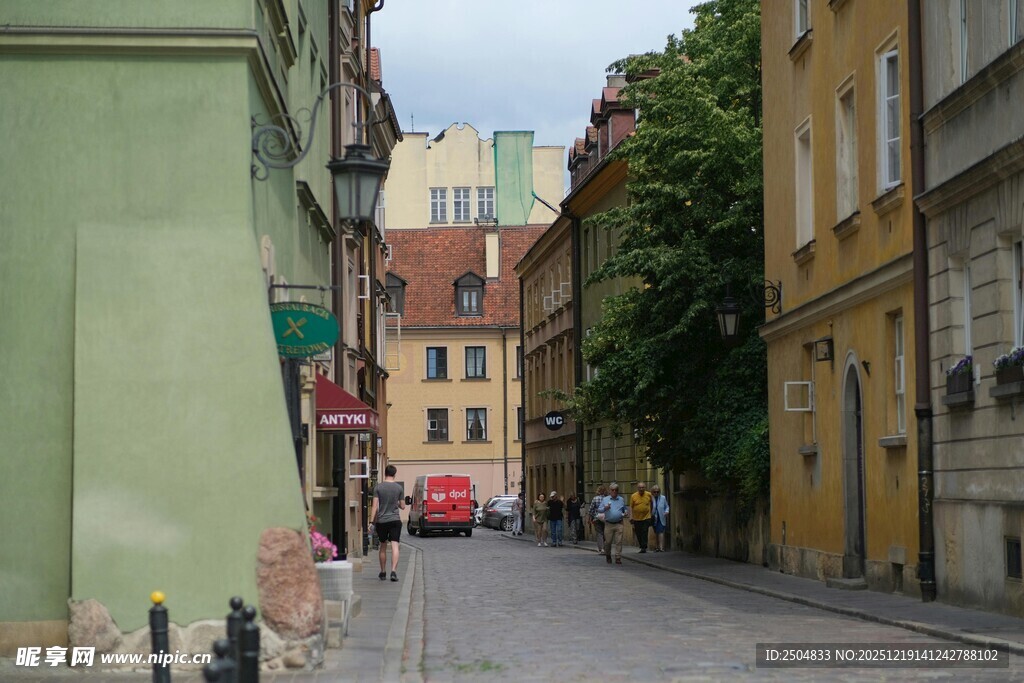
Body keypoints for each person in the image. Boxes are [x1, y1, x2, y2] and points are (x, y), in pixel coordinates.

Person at [370, 464, 406, 582]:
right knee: (395, 545)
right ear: (394, 474)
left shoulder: (378, 487)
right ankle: (394, 571)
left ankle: (383, 571)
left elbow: (374, 506)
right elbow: (403, 506)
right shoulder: (399, 488)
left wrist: (371, 521)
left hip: (382, 521)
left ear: (385, 473)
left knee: (383, 546)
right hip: (395, 520)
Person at [601, 482, 628, 564]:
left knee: (618, 541)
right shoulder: (605, 499)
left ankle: (618, 557)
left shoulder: (621, 499)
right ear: (610, 491)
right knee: (608, 542)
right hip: (608, 524)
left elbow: (624, 509)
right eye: (612, 490)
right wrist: (605, 508)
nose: (614, 491)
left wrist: (626, 512)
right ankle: (608, 555)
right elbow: (599, 509)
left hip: (619, 523)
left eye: (616, 490)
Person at [629, 481, 653, 553]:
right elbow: (631, 507)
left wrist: (651, 513)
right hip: (636, 518)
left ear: (645, 488)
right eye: (640, 487)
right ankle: (641, 545)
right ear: (637, 488)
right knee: (638, 532)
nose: (641, 489)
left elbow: (652, 503)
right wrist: (631, 516)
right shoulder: (633, 496)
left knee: (644, 531)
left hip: (646, 517)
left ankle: (644, 547)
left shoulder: (649, 494)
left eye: (643, 487)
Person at [587, 484, 608, 556]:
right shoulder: (607, 498)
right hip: (606, 518)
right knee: (606, 533)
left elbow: (591, 510)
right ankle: (605, 548)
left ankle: (601, 549)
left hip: (597, 518)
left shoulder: (595, 498)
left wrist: (589, 518)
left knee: (599, 533)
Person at [650, 484, 670, 552]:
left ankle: (661, 547)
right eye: (654, 492)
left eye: (657, 492)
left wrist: (666, 511)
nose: (656, 493)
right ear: (652, 492)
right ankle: (656, 547)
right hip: (653, 517)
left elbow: (667, 506)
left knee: (661, 532)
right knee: (656, 532)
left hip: (661, 517)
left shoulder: (663, 498)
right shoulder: (650, 498)